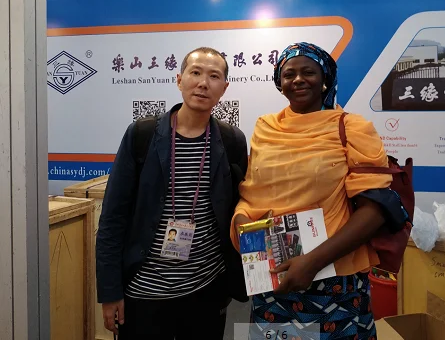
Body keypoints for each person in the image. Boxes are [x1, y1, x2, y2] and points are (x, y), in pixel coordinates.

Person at [231, 42, 407, 339]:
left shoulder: (352, 127)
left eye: (308, 72)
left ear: (325, 78)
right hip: (274, 275)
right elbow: (252, 191)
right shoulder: (265, 127)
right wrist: (241, 220)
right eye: (289, 74)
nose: (298, 79)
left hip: (333, 280)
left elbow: (375, 210)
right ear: (280, 83)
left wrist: (312, 262)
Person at [96, 47, 248, 340]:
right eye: (195, 72)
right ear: (179, 80)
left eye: (214, 76)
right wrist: (110, 292)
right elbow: (113, 219)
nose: (203, 83)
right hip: (144, 292)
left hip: (206, 289)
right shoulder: (142, 135)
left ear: (224, 87)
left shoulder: (232, 141)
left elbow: (240, 207)